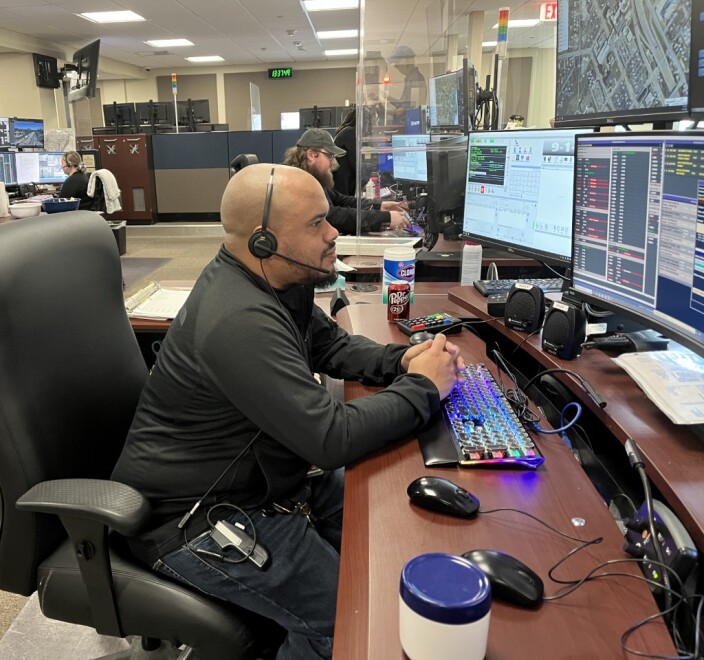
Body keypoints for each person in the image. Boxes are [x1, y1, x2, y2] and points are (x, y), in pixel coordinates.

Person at [112, 163, 463, 659]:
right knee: (345, 619)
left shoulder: (278, 280)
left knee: (387, 539)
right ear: (263, 241)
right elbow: (331, 438)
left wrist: (402, 359)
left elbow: (334, 348)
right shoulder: (238, 318)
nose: (333, 232)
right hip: (197, 520)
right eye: (316, 223)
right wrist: (425, 387)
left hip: (263, 482)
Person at [283, 128, 409, 235]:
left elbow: (341, 200)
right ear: (311, 155)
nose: (332, 162)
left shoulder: (312, 178)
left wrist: (379, 206)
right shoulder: (299, 183)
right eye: (329, 156)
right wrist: (385, 218)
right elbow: (332, 216)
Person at [332, 109, 356, 196]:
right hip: (342, 179)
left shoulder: (345, 130)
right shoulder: (350, 132)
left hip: (341, 177)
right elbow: (355, 162)